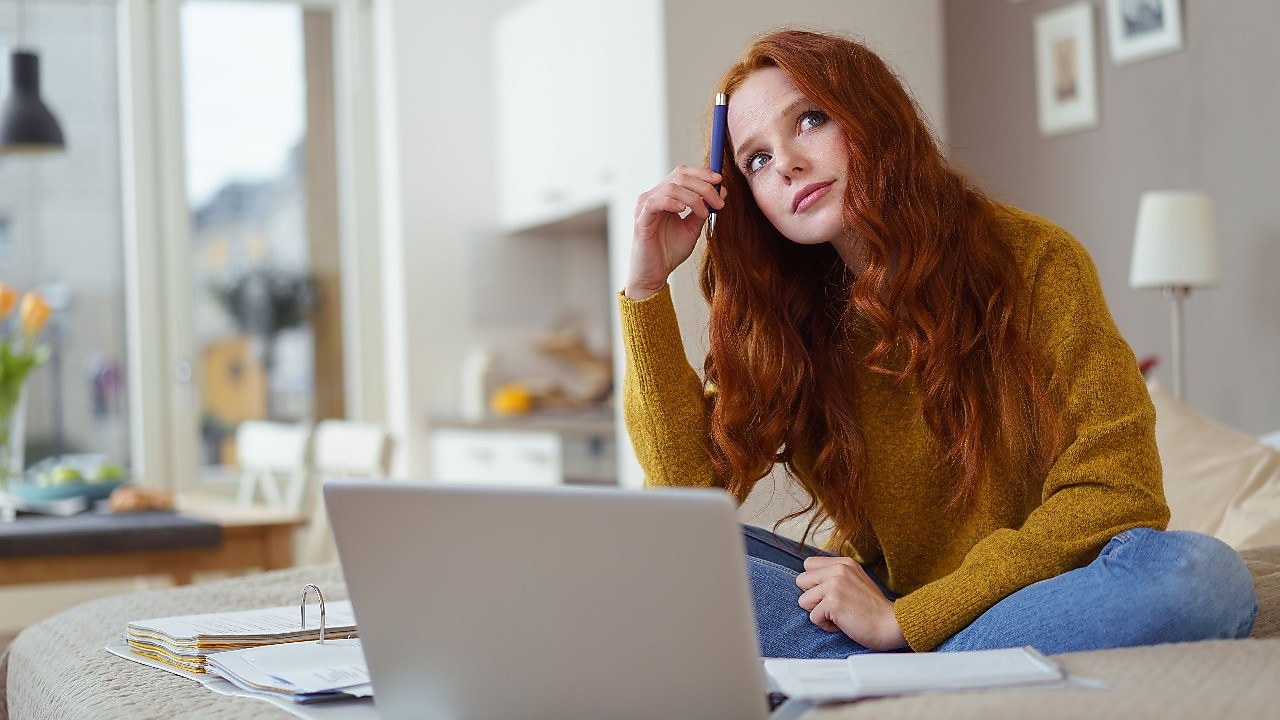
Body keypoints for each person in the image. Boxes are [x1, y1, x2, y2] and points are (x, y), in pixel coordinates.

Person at [618, 29, 1257, 658]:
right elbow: (684, 502)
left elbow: (1120, 492)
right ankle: (922, 665)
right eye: (756, 159)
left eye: (810, 120)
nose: (785, 162)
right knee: (649, 554)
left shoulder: (1035, 263)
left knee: (1203, 578)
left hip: (1030, 593)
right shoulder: (789, 319)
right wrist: (646, 288)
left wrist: (908, 621)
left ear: (871, 118)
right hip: (871, 597)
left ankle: (890, 667)